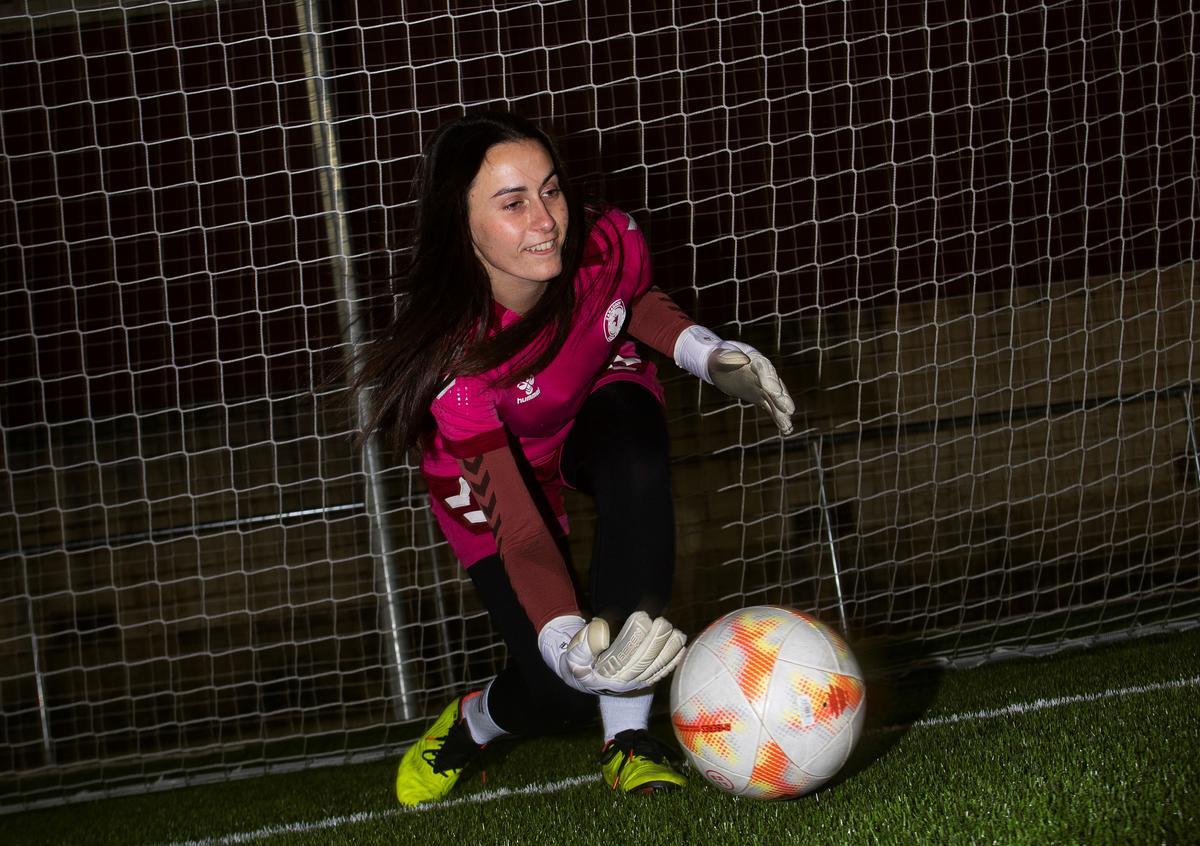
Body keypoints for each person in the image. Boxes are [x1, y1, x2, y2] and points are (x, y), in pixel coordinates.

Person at [354, 110, 795, 806]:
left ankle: (628, 737)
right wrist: (563, 640)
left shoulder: (605, 240)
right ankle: (475, 722)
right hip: (494, 477)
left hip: (591, 406)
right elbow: (523, 534)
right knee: (558, 690)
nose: (546, 220)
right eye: (512, 203)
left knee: (635, 454)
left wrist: (704, 353)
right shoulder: (452, 363)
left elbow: (630, 302)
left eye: (551, 190)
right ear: (458, 227)